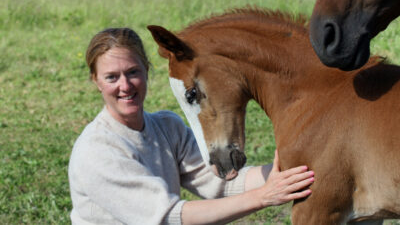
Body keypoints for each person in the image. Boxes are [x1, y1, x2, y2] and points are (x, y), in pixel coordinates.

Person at [68, 27, 315, 225]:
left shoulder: (167, 128)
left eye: (132, 72)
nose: (125, 85)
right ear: (96, 81)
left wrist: (289, 170)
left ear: (147, 71)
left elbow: (218, 181)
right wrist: (263, 197)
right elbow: (168, 217)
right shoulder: (97, 150)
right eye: (111, 77)